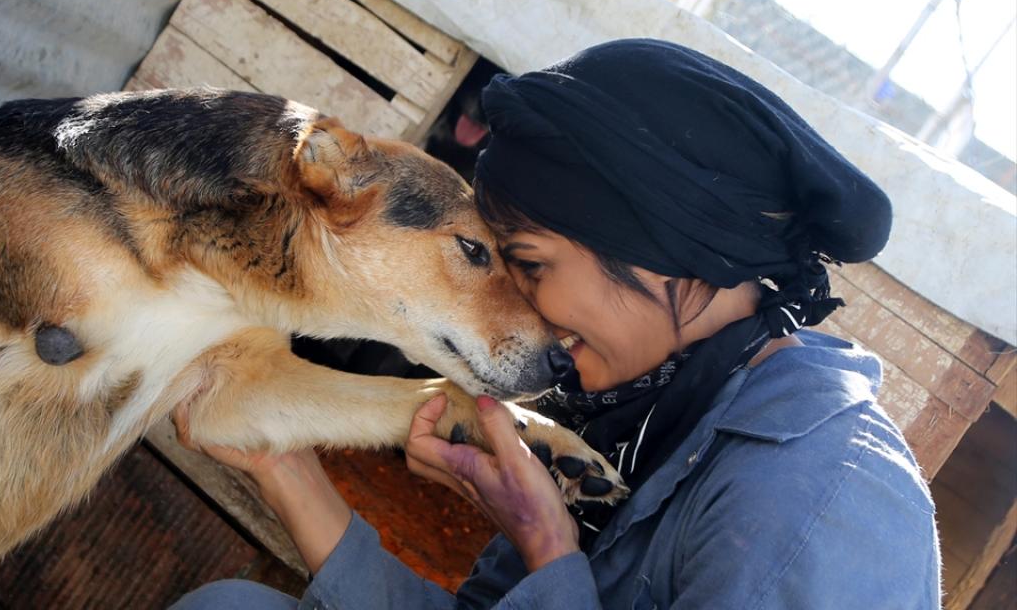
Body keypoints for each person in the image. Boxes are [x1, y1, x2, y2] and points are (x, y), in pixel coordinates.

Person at [170, 39, 942, 609]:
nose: (524, 312)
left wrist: (549, 549)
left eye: (532, 267)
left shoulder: (817, 504)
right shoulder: (644, 415)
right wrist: (284, 467)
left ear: (673, 257)